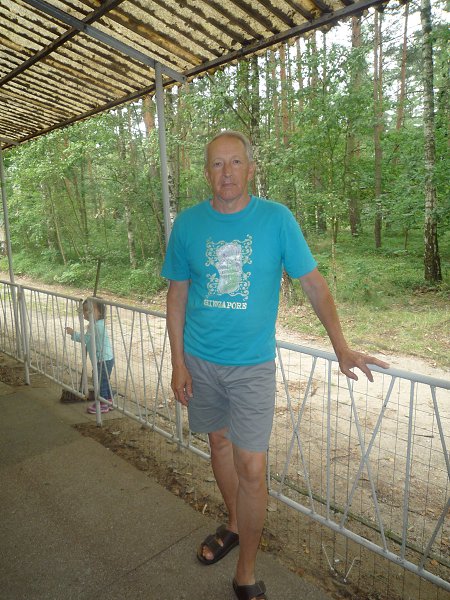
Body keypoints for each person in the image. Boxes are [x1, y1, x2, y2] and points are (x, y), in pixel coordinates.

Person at [161, 130, 389, 600]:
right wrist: (177, 363)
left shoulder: (277, 219)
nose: (227, 173)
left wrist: (341, 346)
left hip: (252, 367)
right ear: (206, 173)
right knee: (218, 444)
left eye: (235, 162)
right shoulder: (188, 225)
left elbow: (313, 284)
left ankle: (245, 573)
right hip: (200, 361)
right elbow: (177, 295)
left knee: (252, 466)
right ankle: (232, 523)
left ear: (250, 168)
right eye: (217, 164)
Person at [65, 298, 114, 414]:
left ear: (100, 312)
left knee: (99, 382)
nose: (85, 313)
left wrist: (73, 333)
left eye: (89, 310)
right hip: (106, 358)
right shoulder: (97, 324)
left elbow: (85, 339)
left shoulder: (95, 326)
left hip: (102, 360)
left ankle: (103, 404)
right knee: (104, 381)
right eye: (84, 310)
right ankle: (108, 400)